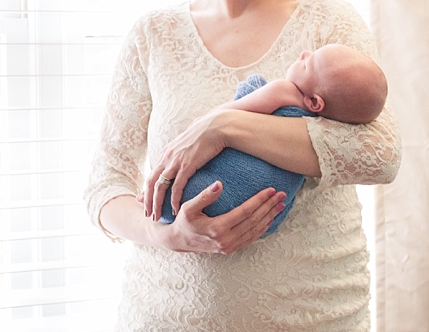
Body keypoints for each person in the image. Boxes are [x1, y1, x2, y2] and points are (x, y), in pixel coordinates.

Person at [83, 0, 401, 332]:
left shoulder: (329, 23)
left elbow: (378, 155)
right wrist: (167, 234)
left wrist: (225, 128)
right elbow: (105, 188)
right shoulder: (154, 36)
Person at [156, 43, 389, 237]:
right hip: (265, 217)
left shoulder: (282, 91)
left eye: (307, 63)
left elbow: (229, 114)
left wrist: (200, 125)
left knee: (185, 192)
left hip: (225, 185)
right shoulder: (327, 126)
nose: (303, 54)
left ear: (315, 103)